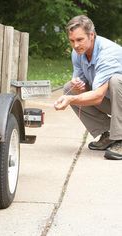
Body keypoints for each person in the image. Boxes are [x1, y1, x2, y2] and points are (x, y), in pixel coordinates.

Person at [54, 15, 122, 160]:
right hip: (113, 103)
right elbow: (79, 80)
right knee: (69, 88)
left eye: (79, 40)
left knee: (116, 81)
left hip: (115, 98)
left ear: (91, 35)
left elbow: (97, 97)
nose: (76, 45)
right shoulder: (78, 53)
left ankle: (121, 138)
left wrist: (72, 99)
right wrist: (77, 85)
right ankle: (108, 133)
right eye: (72, 41)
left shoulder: (107, 53)